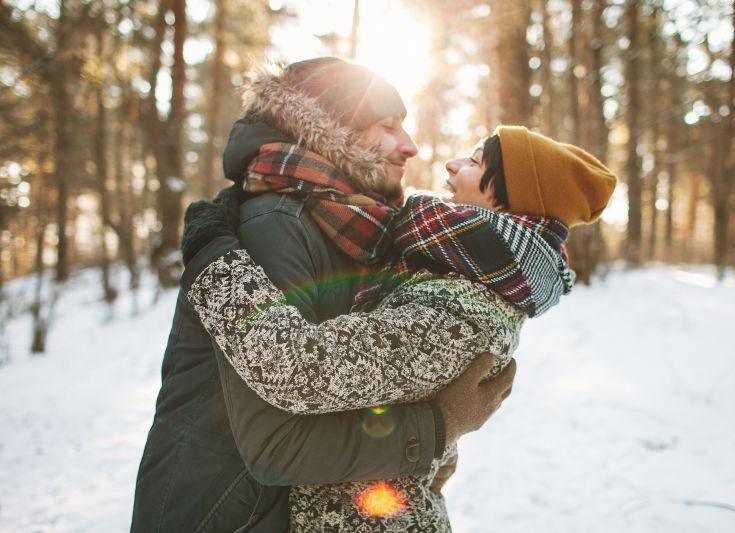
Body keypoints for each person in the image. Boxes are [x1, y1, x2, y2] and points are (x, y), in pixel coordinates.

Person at [131, 58, 513, 532]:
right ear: (332, 132)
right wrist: (436, 427)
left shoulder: (356, 225)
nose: (410, 146)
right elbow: (278, 445)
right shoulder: (275, 223)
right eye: (387, 126)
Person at [180, 124, 617, 530]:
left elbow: (300, 369)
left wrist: (211, 254)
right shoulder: (464, 280)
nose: (452, 164)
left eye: (475, 162)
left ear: (508, 199)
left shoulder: (459, 311)